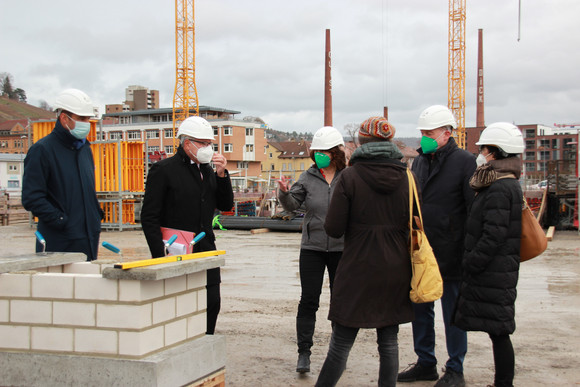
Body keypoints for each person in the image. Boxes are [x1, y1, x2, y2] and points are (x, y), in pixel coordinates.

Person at [315, 117, 414, 387]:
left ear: (361, 142)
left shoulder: (349, 176)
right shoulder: (407, 177)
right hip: (396, 266)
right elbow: (414, 220)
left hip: (358, 266)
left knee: (341, 343)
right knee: (389, 342)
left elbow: (334, 229)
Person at [398, 105, 476, 387]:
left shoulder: (465, 162)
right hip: (422, 249)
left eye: (429, 133)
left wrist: (468, 249)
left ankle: (455, 368)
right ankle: (425, 362)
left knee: (453, 313)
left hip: (453, 250)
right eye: (421, 133)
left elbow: (473, 209)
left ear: (447, 133)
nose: (424, 139)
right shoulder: (419, 162)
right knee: (421, 306)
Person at [140, 116, 233, 335]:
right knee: (178, 307)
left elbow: (225, 204)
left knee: (212, 303)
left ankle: (206, 340)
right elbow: (149, 216)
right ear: (186, 142)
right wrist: (159, 253)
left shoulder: (208, 171)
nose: (207, 148)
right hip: (176, 250)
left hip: (206, 249)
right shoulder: (163, 170)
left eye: (209, 143)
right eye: (201, 143)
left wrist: (221, 175)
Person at [453, 122, 525, 387]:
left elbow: (493, 234)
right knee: (498, 329)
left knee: (499, 330)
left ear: (495, 152)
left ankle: (504, 383)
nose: (480, 152)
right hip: (496, 269)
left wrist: (472, 262)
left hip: (493, 270)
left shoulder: (500, 187)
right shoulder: (501, 183)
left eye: (483, 148)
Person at [277, 126, 346, 374]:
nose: (319, 156)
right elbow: (293, 205)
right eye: (316, 152)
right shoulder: (307, 177)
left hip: (342, 249)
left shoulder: (348, 177)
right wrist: (284, 192)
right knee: (309, 300)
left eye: (324, 152)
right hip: (312, 248)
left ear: (336, 152)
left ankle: (338, 354)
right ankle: (304, 353)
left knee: (340, 301)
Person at [22, 88, 103, 261]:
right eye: (82, 119)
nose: (86, 123)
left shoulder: (85, 150)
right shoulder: (42, 151)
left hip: (88, 237)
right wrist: (61, 220)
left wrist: (95, 215)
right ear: (64, 118)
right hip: (59, 241)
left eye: (88, 118)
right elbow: (31, 197)